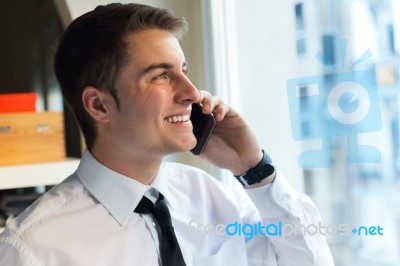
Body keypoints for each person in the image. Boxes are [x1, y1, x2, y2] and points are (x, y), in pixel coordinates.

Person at [0, 3, 334, 266]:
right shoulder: (32, 249)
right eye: (161, 76)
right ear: (99, 106)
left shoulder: (211, 196)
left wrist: (255, 169)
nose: (191, 92)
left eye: (183, 71)